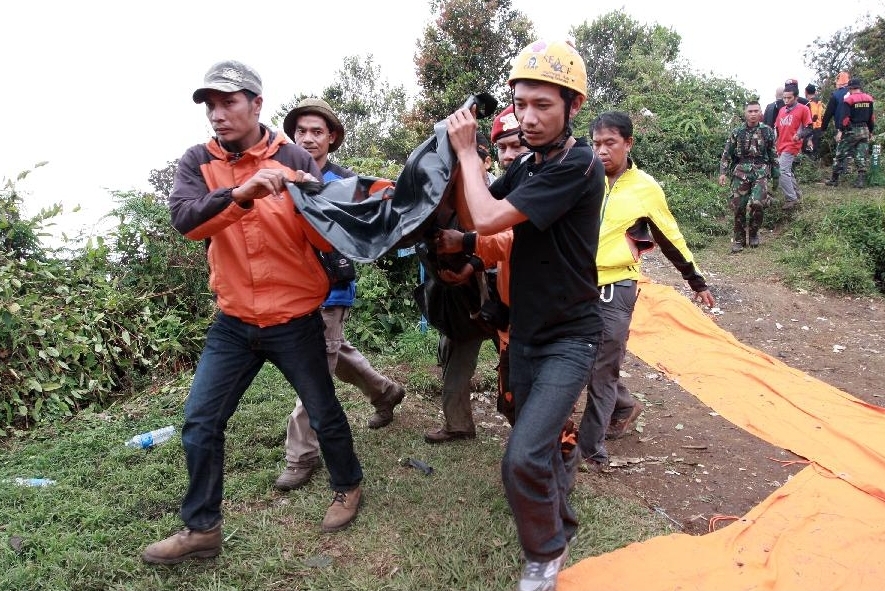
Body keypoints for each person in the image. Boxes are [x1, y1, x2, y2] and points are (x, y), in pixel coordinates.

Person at [142, 61, 363, 565]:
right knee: (200, 420)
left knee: (323, 411)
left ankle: (348, 485)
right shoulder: (197, 160)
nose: (218, 115)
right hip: (235, 320)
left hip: (295, 317)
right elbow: (186, 220)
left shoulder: (292, 155)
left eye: (229, 102)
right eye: (211, 105)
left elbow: (327, 229)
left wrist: (328, 199)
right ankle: (202, 530)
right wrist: (240, 196)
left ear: (256, 104)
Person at [445, 39, 606, 591]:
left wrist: (468, 153)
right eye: (521, 104)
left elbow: (488, 218)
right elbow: (477, 211)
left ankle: (545, 554)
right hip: (526, 333)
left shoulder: (578, 165)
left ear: (572, 106)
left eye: (543, 105)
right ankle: (562, 521)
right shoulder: (532, 164)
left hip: (571, 336)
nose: (528, 118)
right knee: (536, 443)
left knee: (520, 458)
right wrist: (454, 187)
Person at [272, 98, 406, 491]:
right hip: (291, 291)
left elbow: (380, 216)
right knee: (335, 353)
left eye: (317, 132)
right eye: (301, 131)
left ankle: (301, 457)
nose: (308, 138)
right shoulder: (282, 176)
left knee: (314, 373)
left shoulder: (347, 184)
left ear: (331, 138)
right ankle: (386, 392)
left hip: (331, 289)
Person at [578, 111, 716, 472]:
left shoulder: (644, 187)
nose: (602, 151)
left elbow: (669, 235)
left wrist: (695, 280)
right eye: (596, 144)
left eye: (610, 143)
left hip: (617, 285)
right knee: (584, 359)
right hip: (579, 283)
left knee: (603, 365)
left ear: (628, 144)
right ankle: (623, 404)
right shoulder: (583, 176)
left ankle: (591, 449)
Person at [424, 132, 500, 444]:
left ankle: (543, 420)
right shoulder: (444, 193)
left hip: (497, 292)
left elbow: (504, 242)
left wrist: (470, 263)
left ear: (486, 161)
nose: (464, 167)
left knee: (518, 356)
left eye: (473, 158)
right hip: (463, 293)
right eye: (458, 160)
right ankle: (458, 422)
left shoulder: (498, 192)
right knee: (453, 347)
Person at [718, 100, 780, 252]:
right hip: (741, 172)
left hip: (761, 171)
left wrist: (776, 175)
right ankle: (739, 240)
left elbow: (773, 153)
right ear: (745, 114)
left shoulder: (767, 131)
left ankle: (753, 234)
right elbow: (727, 154)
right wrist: (723, 173)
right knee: (738, 206)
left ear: (760, 113)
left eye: (756, 111)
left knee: (757, 203)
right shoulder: (737, 132)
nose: (753, 114)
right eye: (750, 111)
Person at [830, 78, 876, 188]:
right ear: (860, 87)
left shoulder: (849, 100)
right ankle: (861, 181)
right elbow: (872, 118)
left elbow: (845, 118)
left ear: (850, 88)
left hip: (852, 130)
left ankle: (834, 179)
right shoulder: (869, 99)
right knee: (861, 155)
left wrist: (841, 131)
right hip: (865, 130)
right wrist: (871, 131)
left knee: (840, 153)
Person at [774, 83, 813, 210]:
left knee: (781, 171)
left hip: (792, 145)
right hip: (780, 145)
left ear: (796, 97)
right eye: (784, 98)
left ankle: (791, 198)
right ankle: (797, 194)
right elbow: (777, 129)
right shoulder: (781, 110)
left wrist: (800, 135)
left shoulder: (803, 109)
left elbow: (809, 128)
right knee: (787, 171)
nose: (786, 100)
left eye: (789, 98)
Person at [822, 72, 852, 185]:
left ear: (838, 82)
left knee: (840, 151)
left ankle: (836, 178)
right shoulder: (855, 93)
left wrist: (823, 128)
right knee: (854, 151)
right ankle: (850, 174)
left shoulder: (836, 95)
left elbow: (828, 113)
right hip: (857, 127)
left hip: (841, 126)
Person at [804, 84, 824, 159]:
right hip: (821, 129)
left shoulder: (808, 105)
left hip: (812, 131)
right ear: (815, 92)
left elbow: (809, 120)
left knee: (810, 153)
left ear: (806, 92)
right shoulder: (820, 103)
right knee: (817, 152)